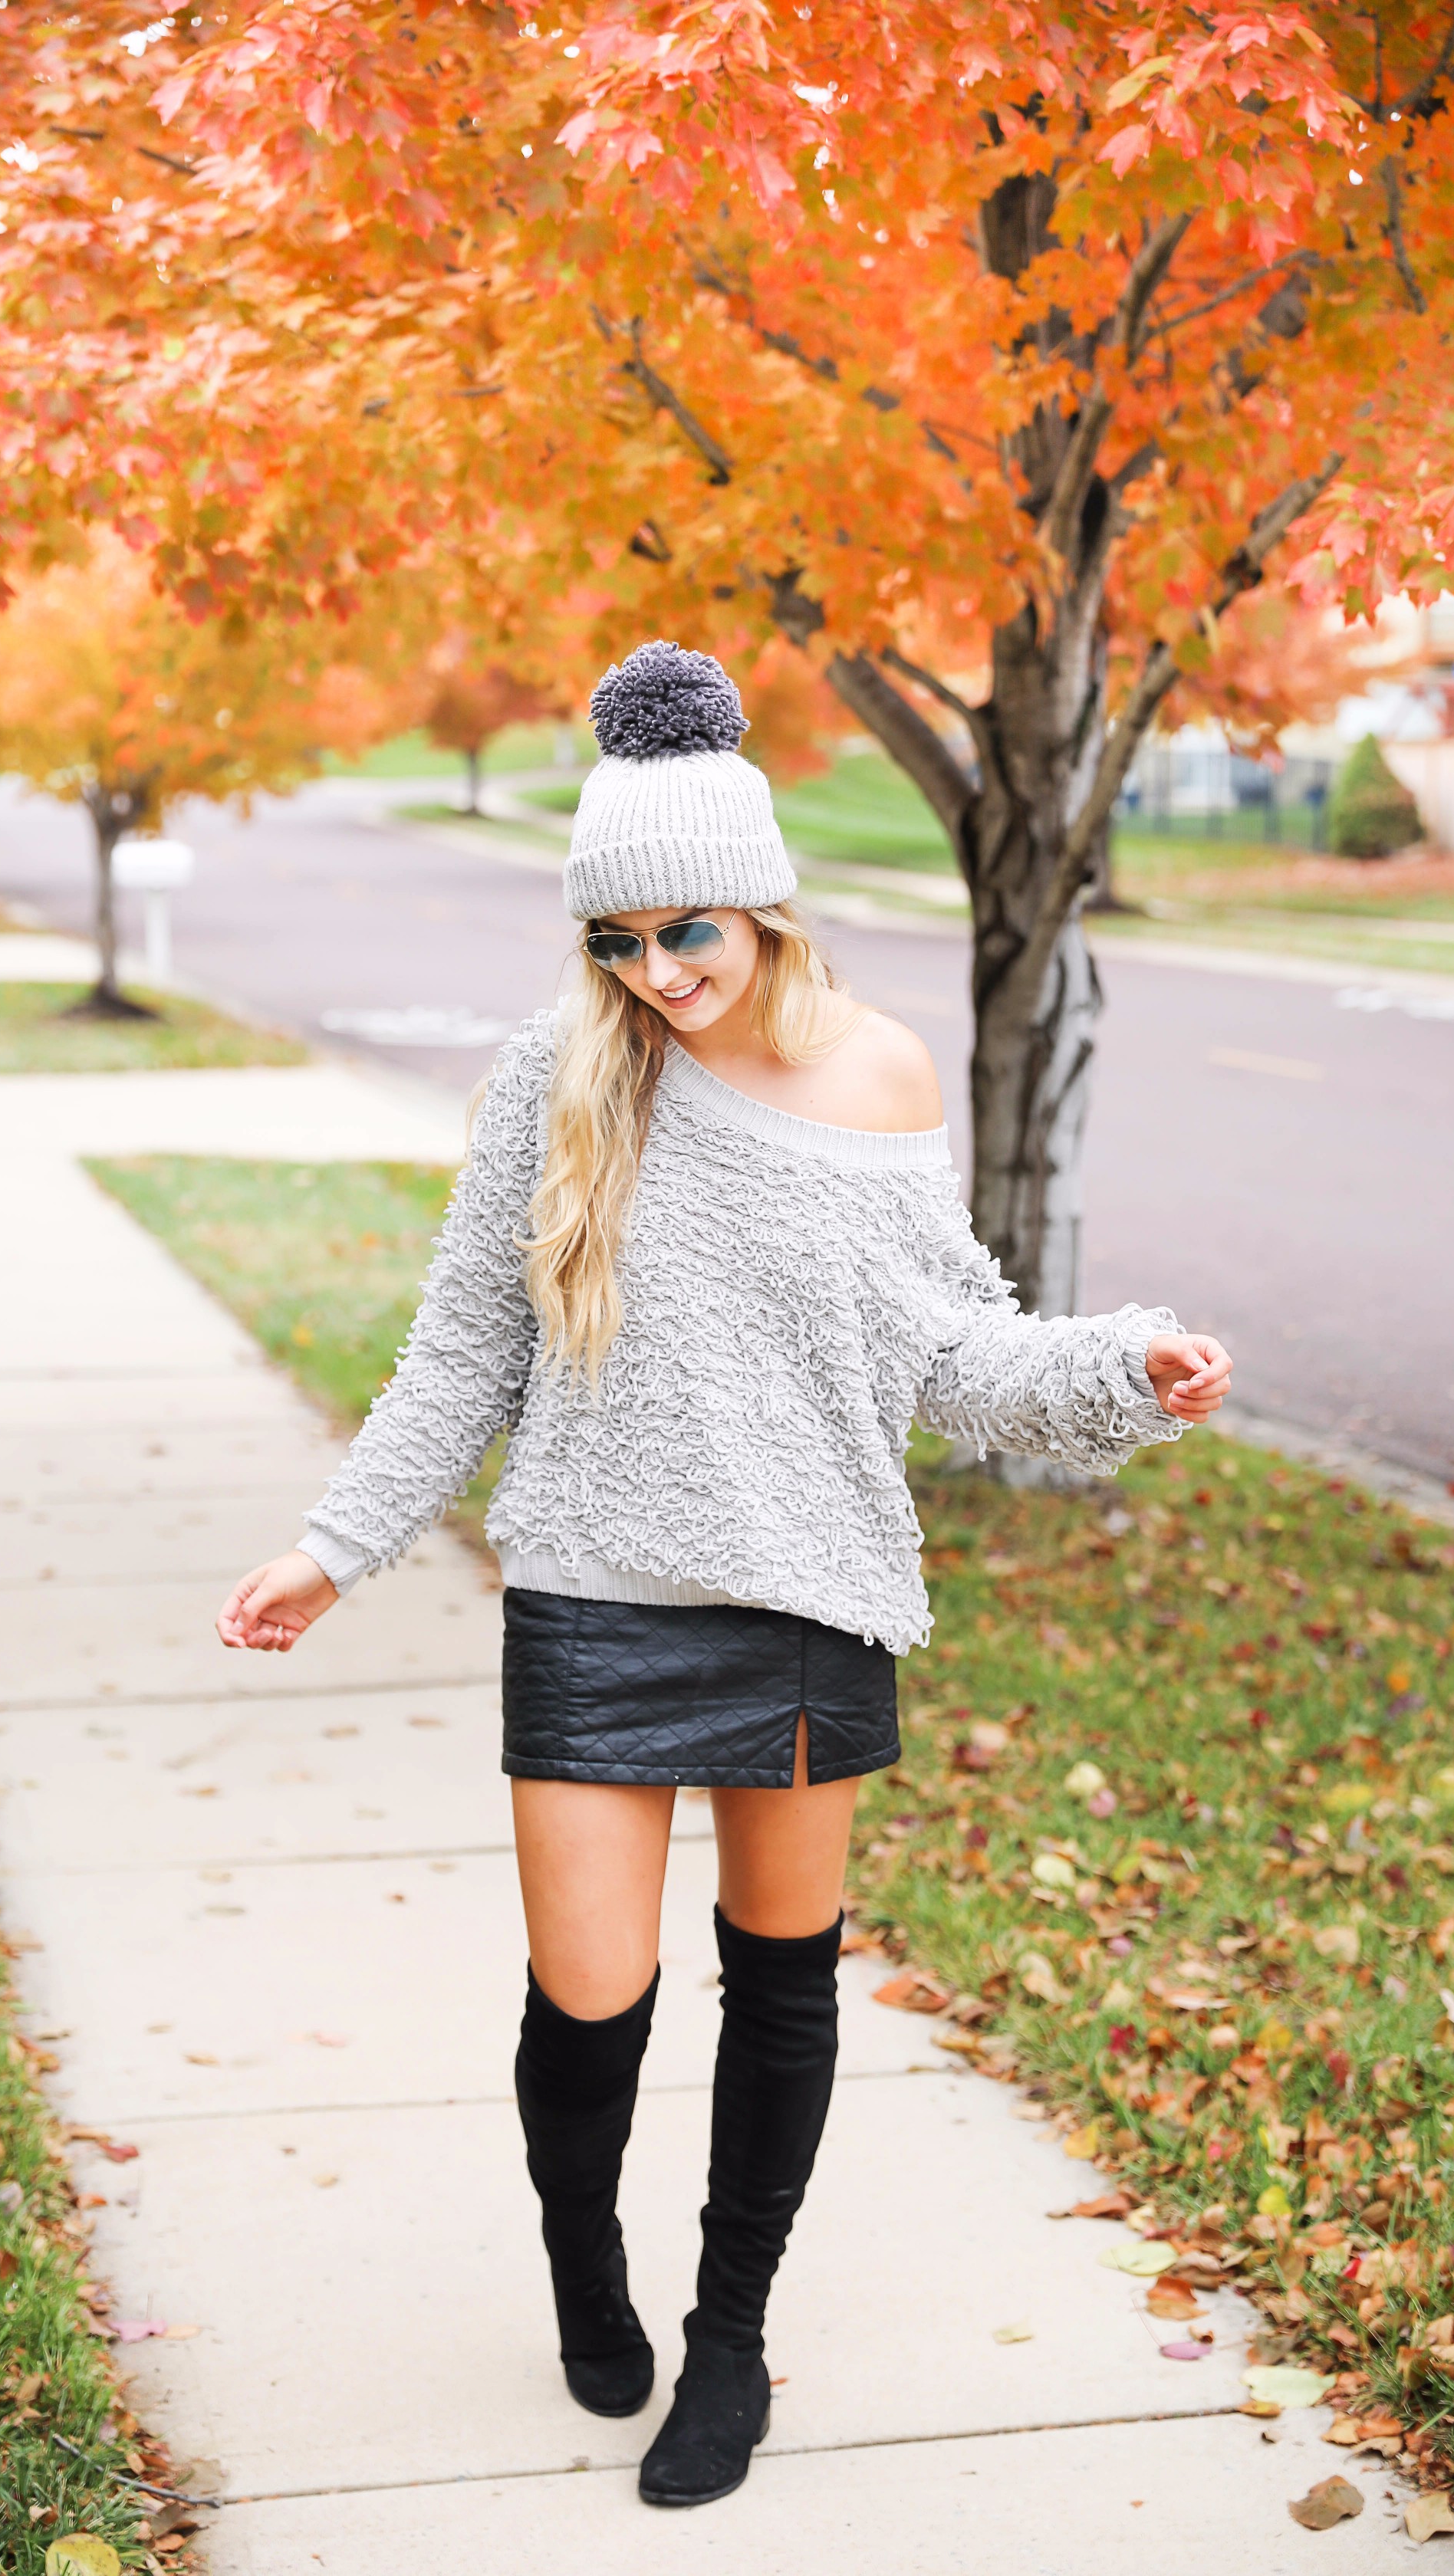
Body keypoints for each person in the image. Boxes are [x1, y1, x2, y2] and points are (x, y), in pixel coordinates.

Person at [216, 640, 1232, 2509]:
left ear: (764, 898)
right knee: (587, 1994)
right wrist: (331, 1550)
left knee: (779, 1986)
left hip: (805, 1594)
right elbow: (466, 1353)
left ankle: (730, 2337)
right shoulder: (566, 1071)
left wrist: (1118, 1369)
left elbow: (946, 1352)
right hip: (595, 1592)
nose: (655, 974)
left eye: (686, 932)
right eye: (615, 940)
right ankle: (582, 2260)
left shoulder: (878, 1072)